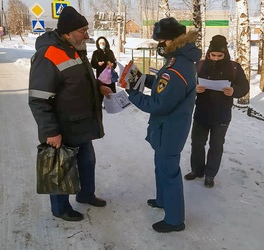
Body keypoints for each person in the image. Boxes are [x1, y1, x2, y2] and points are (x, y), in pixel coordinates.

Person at [28, 6, 112, 221]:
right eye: (82, 30)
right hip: (62, 127)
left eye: (87, 29)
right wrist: (50, 131)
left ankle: (86, 194)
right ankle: (60, 208)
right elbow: (38, 99)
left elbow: (77, 81)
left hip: (81, 123)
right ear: (66, 33)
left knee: (87, 162)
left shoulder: (76, 48)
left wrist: (98, 86)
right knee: (61, 167)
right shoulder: (47, 56)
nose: (87, 34)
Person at [126, 17, 202, 232]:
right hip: (166, 128)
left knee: (169, 172)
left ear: (171, 41)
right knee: (161, 167)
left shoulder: (178, 66)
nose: (159, 45)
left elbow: (159, 104)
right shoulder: (176, 61)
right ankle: (163, 200)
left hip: (170, 129)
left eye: (161, 41)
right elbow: (162, 81)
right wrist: (139, 78)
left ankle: (175, 220)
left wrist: (133, 94)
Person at [184, 35, 249, 188]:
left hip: (222, 115)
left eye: (220, 55)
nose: (216, 58)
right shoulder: (199, 65)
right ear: (208, 53)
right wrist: (195, 89)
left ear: (225, 53)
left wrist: (234, 90)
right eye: (213, 55)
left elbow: (244, 86)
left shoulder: (234, 67)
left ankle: (210, 175)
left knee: (216, 146)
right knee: (197, 144)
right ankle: (197, 170)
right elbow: (188, 84)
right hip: (201, 113)